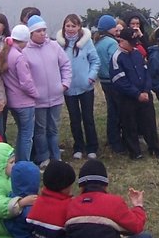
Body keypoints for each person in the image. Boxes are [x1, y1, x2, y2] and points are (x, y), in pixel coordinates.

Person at [21, 16, 71, 166]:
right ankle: (43, 157)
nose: (42, 33)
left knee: (53, 128)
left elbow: (65, 65)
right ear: (31, 34)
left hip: (56, 96)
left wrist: (65, 84)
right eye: (38, 31)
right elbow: (24, 75)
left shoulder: (54, 46)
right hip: (38, 99)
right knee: (40, 129)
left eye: (44, 30)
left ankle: (56, 156)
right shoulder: (25, 51)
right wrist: (33, 92)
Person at [111, 27, 159, 158]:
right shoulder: (117, 57)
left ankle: (154, 148)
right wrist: (136, 94)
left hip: (144, 94)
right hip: (127, 98)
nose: (133, 45)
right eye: (130, 42)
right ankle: (135, 152)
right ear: (122, 41)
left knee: (149, 122)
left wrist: (145, 90)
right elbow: (119, 80)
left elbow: (146, 72)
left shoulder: (137, 54)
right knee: (130, 124)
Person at [58, 14, 100, 160]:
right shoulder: (59, 44)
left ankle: (92, 147)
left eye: (73, 26)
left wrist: (90, 77)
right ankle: (78, 146)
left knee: (88, 118)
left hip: (86, 87)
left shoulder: (86, 42)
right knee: (74, 119)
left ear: (79, 27)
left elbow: (95, 61)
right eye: (68, 26)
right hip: (68, 89)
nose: (70, 29)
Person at [26, 160, 77, 238]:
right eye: (69, 186)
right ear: (63, 186)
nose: (71, 189)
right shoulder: (68, 206)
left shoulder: (38, 202)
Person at [0, 25, 37, 163]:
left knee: (21, 132)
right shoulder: (19, 57)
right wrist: (36, 93)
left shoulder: (5, 53)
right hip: (24, 101)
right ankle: (24, 163)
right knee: (27, 135)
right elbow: (26, 82)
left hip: (12, 100)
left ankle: (17, 162)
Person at [93, 15, 124, 156]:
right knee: (117, 111)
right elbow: (117, 61)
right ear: (109, 28)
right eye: (114, 27)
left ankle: (112, 139)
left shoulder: (98, 42)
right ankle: (116, 142)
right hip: (113, 80)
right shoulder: (111, 43)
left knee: (112, 110)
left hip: (104, 81)